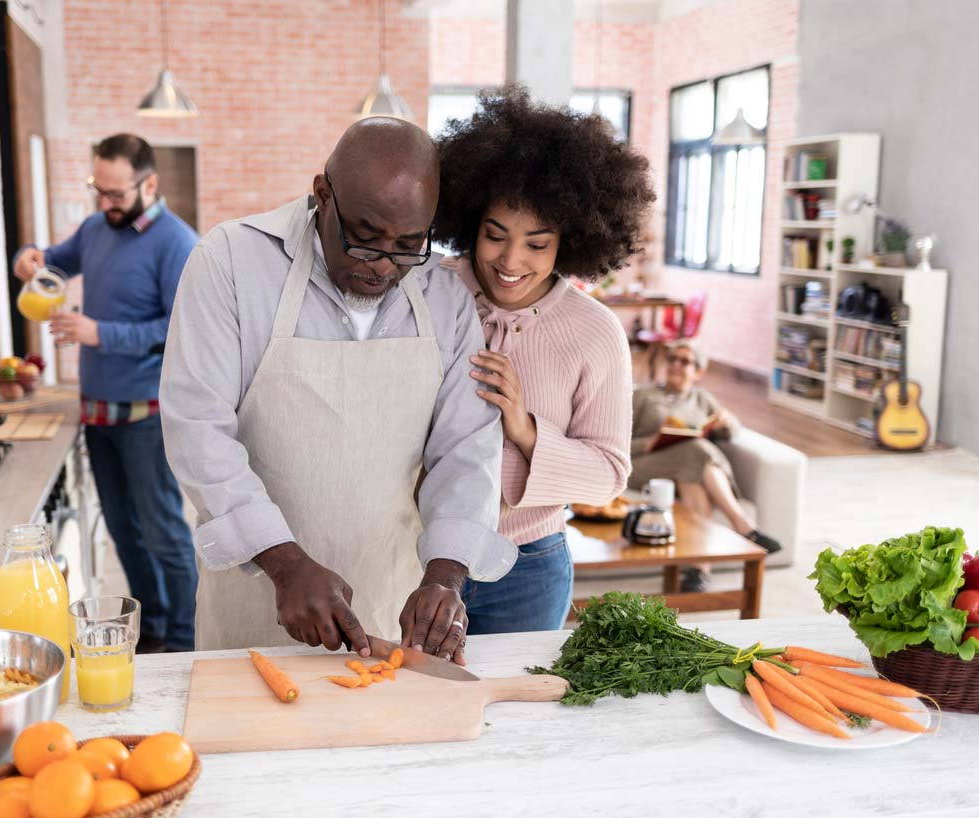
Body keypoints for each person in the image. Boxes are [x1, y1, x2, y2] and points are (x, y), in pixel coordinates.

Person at [159, 117, 516, 663]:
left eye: (407, 245)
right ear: (322, 194)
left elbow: (467, 448)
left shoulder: (444, 294)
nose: (381, 265)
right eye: (365, 237)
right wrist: (284, 562)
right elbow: (197, 428)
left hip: (393, 601)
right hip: (256, 597)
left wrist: (445, 578)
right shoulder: (231, 262)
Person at [431, 86, 655, 633]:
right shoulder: (430, 293)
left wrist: (525, 429)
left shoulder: (595, 331)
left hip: (527, 568)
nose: (510, 261)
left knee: (516, 713)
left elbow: (609, 476)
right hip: (419, 556)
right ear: (469, 223)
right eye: (494, 236)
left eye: (537, 243)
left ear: (571, 240)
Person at [13, 133, 199, 653]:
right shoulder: (96, 228)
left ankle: (187, 642)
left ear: (149, 184)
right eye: (100, 189)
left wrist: (100, 334)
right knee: (124, 532)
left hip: (147, 415)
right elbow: (47, 259)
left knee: (163, 534)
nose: (106, 204)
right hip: (97, 414)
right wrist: (28, 258)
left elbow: (182, 328)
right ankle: (154, 632)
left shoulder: (177, 242)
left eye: (117, 194)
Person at [631, 340, 782, 591]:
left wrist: (724, 423)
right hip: (643, 465)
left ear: (698, 372)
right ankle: (743, 526)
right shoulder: (644, 395)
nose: (676, 365)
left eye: (685, 361)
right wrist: (647, 444)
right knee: (696, 451)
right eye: (672, 359)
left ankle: (698, 571)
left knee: (694, 478)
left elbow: (731, 427)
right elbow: (617, 441)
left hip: (683, 472)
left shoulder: (701, 399)